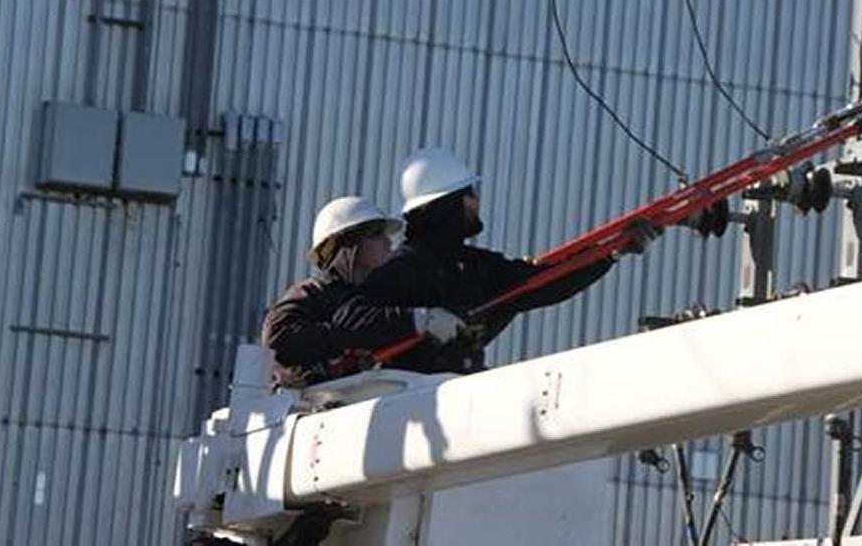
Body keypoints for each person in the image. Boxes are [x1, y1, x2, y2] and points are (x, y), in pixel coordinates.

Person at [332, 147, 661, 374]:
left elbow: (543, 282)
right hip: (410, 402)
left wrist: (611, 252)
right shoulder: (402, 271)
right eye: (470, 194)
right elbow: (349, 319)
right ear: (450, 204)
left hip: (460, 391)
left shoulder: (476, 267)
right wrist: (421, 321)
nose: (476, 203)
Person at [261, 195, 467, 386]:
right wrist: (418, 321)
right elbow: (277, 339)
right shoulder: (311, 294)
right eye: (377, 235)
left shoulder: (370, 298)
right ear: (349, 245)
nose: (388, 243)